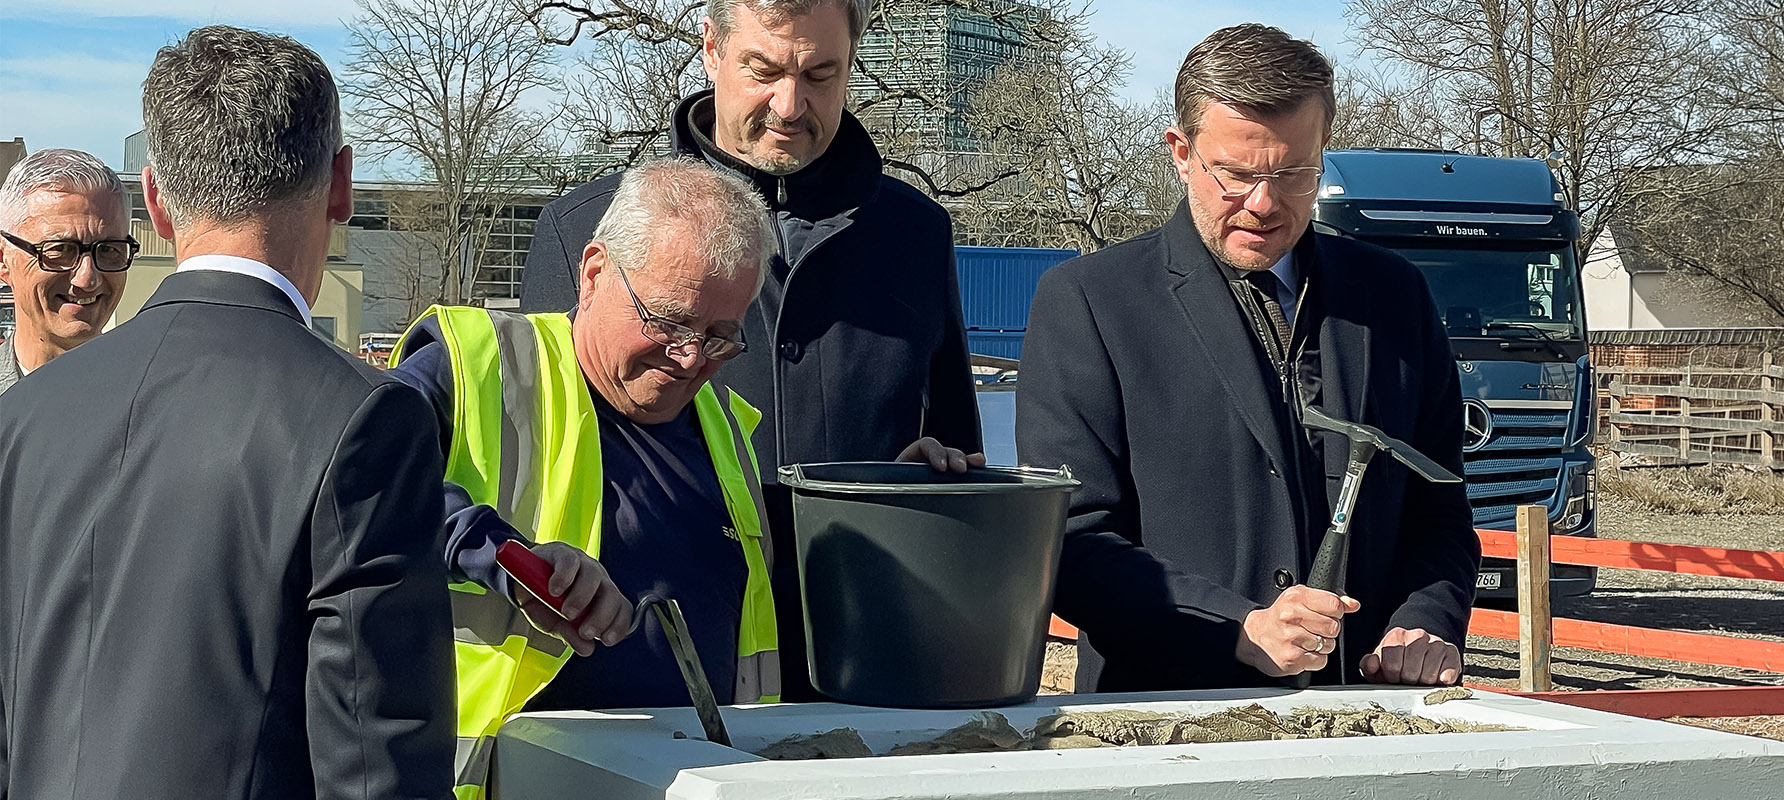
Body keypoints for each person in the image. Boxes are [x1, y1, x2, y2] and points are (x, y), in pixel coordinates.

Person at [0, 26, 454, 800]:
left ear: (155, 202)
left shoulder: (25, 416)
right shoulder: (364, 419)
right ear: (341, 185)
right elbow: (377, 766)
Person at [519, 0, 983, 701]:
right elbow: (539, 464)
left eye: (821, 74)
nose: (790, 105)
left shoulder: (916, 234)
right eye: (764, 71)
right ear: (711, 48)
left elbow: (959, 456)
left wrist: (927, 485)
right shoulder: (586, 227)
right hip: (652, 680)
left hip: (867, 675)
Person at [1017, 24, 1478, 693]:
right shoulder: (1090, 302)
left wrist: (1424, 621)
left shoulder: (1395, 296)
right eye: (1236, 174)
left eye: (1293, 174)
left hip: (1368, 717)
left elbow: (1439, 515)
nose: (1263, 204)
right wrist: (1238, 627)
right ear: (1181, 153)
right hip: (1168, 721)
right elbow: (1071, 538)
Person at [390, 159, 780, 798]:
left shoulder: (728, 431)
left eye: (719, 336)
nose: (689, 358)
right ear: (594, 273)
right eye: (668, 321)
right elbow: (357, 487)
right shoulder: (478, 367)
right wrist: (504, 556)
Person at [0, 148, 134, 395]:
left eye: (108, 250)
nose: (88, 279)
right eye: (60, 249)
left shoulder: (159, 401)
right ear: (3, 260)